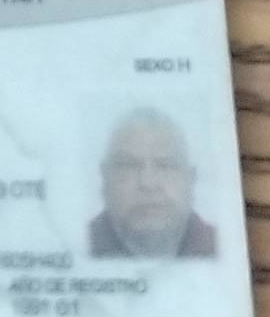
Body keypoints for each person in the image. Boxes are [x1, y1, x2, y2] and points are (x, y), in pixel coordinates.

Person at [89, 108, 216, 260]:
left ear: (191, 179)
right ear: (105, 179)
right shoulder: (78, 245)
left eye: (166, 166)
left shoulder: (225, 247)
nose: (148, 184)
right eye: (129, 166)